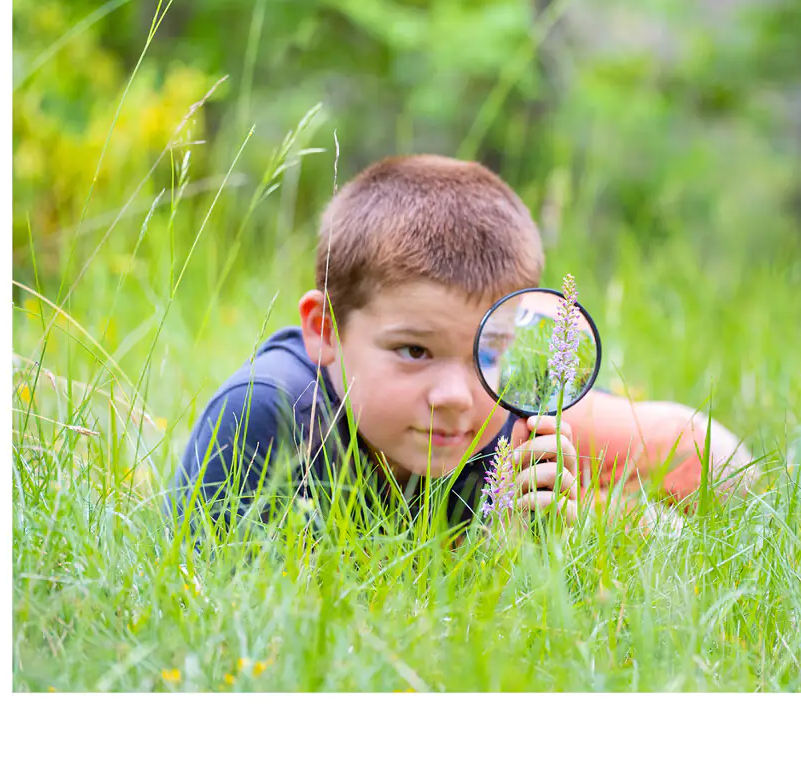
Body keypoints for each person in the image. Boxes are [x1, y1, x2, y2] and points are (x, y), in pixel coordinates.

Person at [169, 154, 754, 535]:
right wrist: (478, 552)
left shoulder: (505, 414)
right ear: (326, 330)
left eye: (487, 352)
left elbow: (726, 469)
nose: (455, 396)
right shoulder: (268, 415)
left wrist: (572, 535)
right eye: (414, 352)